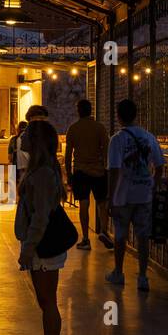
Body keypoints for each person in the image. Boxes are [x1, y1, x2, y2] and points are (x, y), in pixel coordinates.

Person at [14, 120, 70, 335]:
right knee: (45, 300)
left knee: (48, 301)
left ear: (36, 141)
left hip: (43, 245)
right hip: (40, 244)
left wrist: (27, 249)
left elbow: (40, 217)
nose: (22, 135)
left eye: (27, 133)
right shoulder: (40, 170)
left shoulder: (43, 174)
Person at [106, 98, 165, 291]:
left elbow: (114, 170)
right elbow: (160, 165)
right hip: (144, 194)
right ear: (136, 114)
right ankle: (142, 276)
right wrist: (153, 185)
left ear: (118, 116)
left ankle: (118, 272)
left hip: (123, 195)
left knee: (120, 236)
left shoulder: (117, 140)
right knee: (142, 236)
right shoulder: (148, 137)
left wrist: (111, 196)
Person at [65, 99, 110, 250]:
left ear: (78, 111)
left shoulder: (73, 128)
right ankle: (104, 230)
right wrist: (105, 168)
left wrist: (69, 173)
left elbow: (68, 153)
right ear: (91, 110)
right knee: (102, 203)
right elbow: (106, 150)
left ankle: (85, 238)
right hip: (98, 171)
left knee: (83, 204)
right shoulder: (100, 128)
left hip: (80, 171)